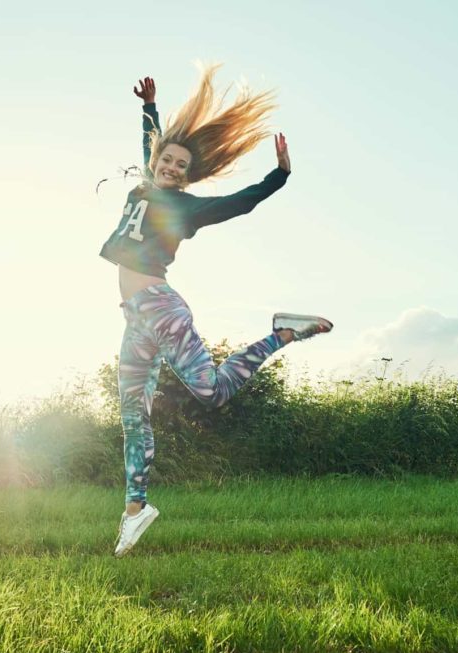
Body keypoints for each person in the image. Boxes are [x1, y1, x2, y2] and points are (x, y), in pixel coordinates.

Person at [100, 67, 332, 557]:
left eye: (180, 165)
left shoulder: (185, 209)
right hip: (134, 317)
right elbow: (151, 150)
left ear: (188, 174)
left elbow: (239, 204)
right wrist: (149, 110)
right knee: (132, 415)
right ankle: (136, 512)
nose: (170, 167)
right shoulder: (143, 187)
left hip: (162, 310)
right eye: (166, 159)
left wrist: (280, 176)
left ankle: (282, 334)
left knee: (211, 393)